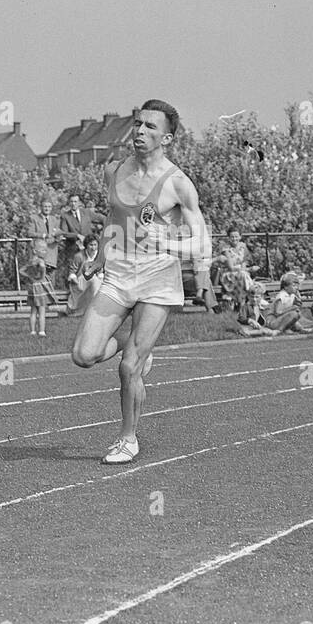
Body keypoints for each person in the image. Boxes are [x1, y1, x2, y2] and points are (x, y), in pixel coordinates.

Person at [71, 100, 211, 465]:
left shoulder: (178, 183)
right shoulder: (116, 171)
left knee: (129, 366)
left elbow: (201, 244)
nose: (140, 131)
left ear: (167, 137)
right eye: (137, 124)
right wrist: (99, 258)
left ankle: (127, 438)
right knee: (84, 356)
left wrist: (165, 241)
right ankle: (129, 343)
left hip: (157, 280)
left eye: (150, 126)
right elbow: (112, 220)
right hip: (118, 274)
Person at [59, 193, 102, 286]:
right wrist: (77, 235)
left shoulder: (86, 212)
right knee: (74, 272)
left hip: (89, 248)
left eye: (75, 201)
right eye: (71, 202)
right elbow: (64, 232)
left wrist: (106, 230)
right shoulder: (65, 216)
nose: (73, 204)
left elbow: (102, 218)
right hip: (73, 248)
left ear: (79, 203)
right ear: (69, 203)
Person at [22, 239, 56, 337]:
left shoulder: (31, 261)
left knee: (33, 310)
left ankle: (32, 331)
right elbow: (42, 267)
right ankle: (41, 331)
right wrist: (42, 275)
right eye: (43, 250)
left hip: (32, 287)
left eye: (46, 250)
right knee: (42, 310)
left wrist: (30, 276)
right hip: (40, 288)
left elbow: (21, 271)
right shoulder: (40, 261)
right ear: (35, 251)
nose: (45, 252)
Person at [66, 235, 103, 317]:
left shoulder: (99, 256)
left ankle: (96, 309)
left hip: (97, 280)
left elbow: (101, 271)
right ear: (86, 245)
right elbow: (72, 271)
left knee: (96, 281)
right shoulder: (79, 256)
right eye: (91, 245)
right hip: (80, 281)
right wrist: (73, 278)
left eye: (95, 245)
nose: (93, 248)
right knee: (93, 280)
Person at [29, 196, 63, 283]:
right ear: (41, 207)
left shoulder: (54, 219)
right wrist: (43, 235)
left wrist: (58, 237)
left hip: (52, 254)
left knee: (51, 281)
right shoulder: (34, 218)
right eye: (45, 206)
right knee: (39, 280)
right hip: (39, 254)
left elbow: (58, 232)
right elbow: (30, 233)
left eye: (49, 207)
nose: (47, 209)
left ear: (51, 208)